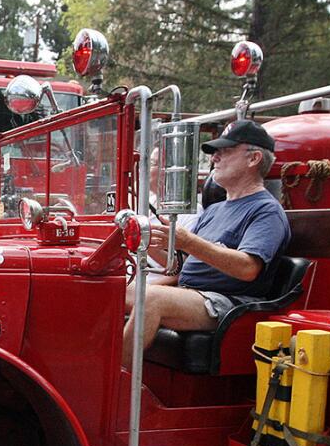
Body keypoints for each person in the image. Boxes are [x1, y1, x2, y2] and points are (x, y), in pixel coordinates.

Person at [122, 119, 291, 368]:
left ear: (253, 158)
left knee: (152, 299)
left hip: (228, 301)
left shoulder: (266, 211)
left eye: (225, 151)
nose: (215, 158)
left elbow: (248, 268)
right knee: (113, 287)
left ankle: (112, 382)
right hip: (191, 293)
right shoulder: (215, 209)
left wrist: (188, 241)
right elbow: (184, 266)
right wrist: (142, 241)